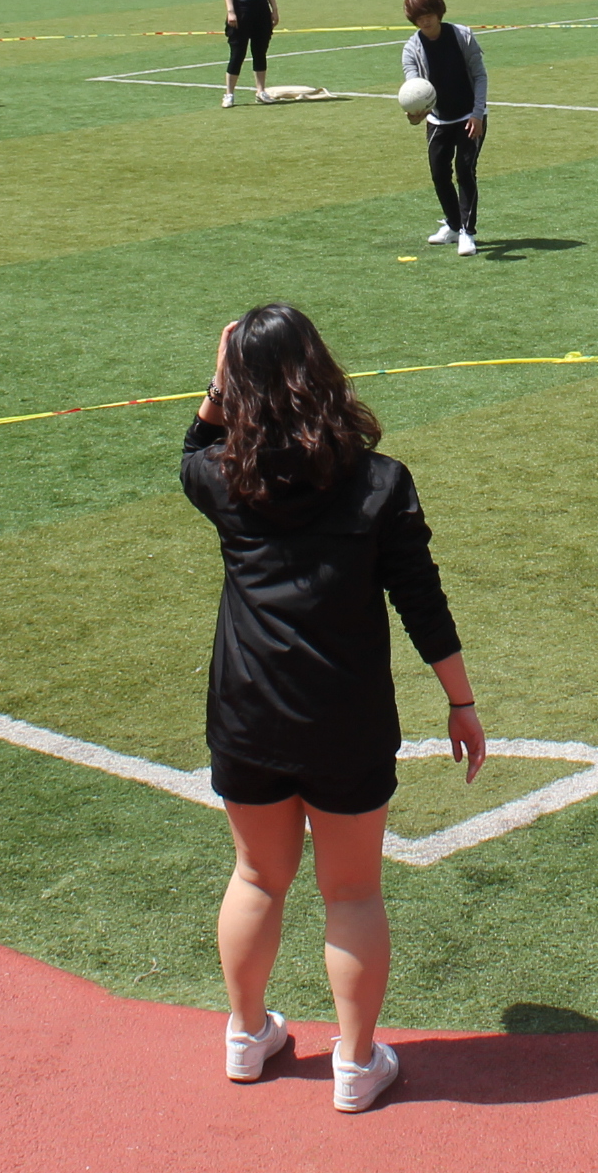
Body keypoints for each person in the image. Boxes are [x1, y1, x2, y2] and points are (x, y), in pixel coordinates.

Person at [182, 302, 479, 1113]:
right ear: (320, 371)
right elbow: (423, 603)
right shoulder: (380, 484)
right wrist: (460, 701)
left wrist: (218, 384)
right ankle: (355, 1063)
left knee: (256, 876)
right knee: (352, 893)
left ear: (239, 386)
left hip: (248, 714)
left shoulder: (223, 479)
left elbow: (194, 448)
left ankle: (247, 1036)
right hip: (346, 721)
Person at [399, 0, 486, 255]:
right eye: (419, 17)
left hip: (470, 116)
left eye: (429, 14)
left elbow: (480, 75)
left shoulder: (463, 36)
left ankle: (468, 232)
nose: (425, 20)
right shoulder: (411, 49)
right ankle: (453, 224)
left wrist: (478, 113)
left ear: (439, 11)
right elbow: (416, 90)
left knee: (465, 170)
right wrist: (415, 115)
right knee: (439, 173)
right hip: (438, 119)